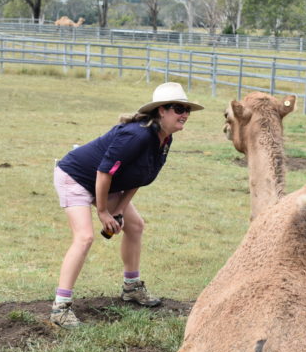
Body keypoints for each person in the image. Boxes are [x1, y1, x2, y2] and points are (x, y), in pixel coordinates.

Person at [50, 82, 204, 328]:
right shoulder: (137, 135)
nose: (184, 114)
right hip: (76, 177)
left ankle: (131, 287)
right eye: (178, 108)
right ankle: (60, 307)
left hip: (105, 185)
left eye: (187, 109)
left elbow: (139, 177)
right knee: (85, 237)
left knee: (135, 226)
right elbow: (103, 172)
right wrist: (103, 212)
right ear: (161, 111)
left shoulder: (164, 139)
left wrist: (119, 210)